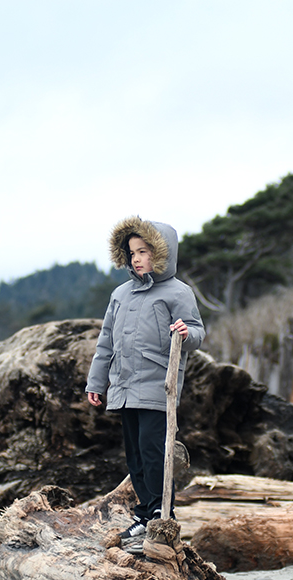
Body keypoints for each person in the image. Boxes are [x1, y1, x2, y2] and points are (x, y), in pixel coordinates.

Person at [85, 216, 205, 540]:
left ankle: (162, 514)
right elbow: (106, 341)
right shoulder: (120, 295)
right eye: (132, 252)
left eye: (144, 251)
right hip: (124, 386)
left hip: (157, 386)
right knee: (134, 454)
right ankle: (144, 513)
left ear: (162, 253)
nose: (136, 258)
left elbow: (197, 330)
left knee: (154, 452)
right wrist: (97, 383)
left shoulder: (178, 292)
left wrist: (186, 332)